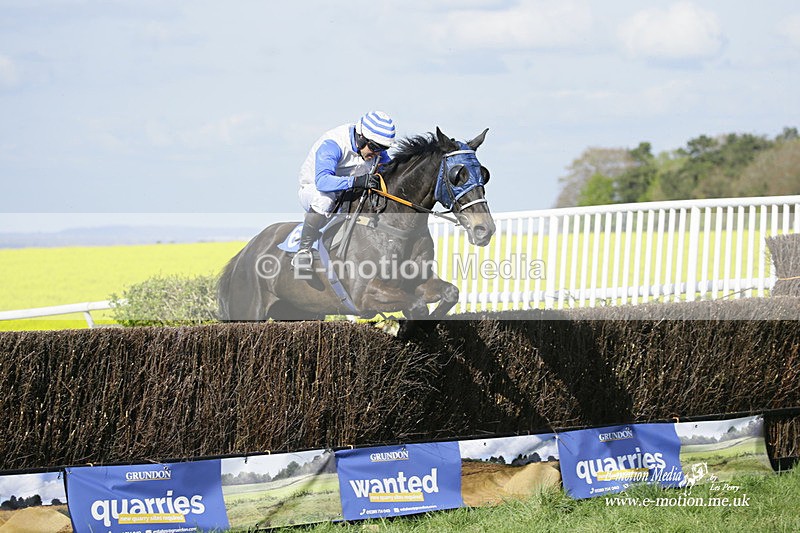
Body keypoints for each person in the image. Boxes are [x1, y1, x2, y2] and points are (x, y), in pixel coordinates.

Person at [292, 110, 396, 274]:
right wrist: (356, 181)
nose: (377, 153)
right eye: (375, 147)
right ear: (361, 137)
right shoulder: (333, 144)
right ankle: (303, 250)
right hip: (315, 189)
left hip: (347, 191)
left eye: (383, 148)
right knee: (325, 199)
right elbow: (323, 182)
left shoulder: (375, 149)